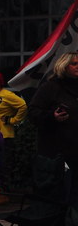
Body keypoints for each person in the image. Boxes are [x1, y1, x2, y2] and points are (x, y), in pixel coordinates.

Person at [28, 52, 78, 206]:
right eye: (74, 63)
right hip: (57, 154)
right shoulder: (51, 87)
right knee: (60, 198)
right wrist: (52, 116)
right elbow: (33, 113)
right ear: (64, 66)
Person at [0, 70, 26, 192]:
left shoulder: (7, 94)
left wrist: (13, 120)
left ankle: (5, 192)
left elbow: (23, 105)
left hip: (4, 136)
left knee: (2, 165)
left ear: (0, 82)